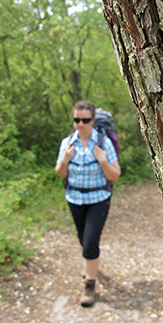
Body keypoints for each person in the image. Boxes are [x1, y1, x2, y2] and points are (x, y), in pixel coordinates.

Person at [55, 100, 121, 307]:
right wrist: (65, 160)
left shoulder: (103, 143)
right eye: (77, 119)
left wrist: (102, 160)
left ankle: (89, 285)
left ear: (93, 120)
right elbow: (60, 173)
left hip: (98, 199)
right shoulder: (67, 143)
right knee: (83, 239)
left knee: (90, 242)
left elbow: (115, 174)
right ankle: (91, 262)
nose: (80, 124)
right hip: (74, 199)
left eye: (85, 120)